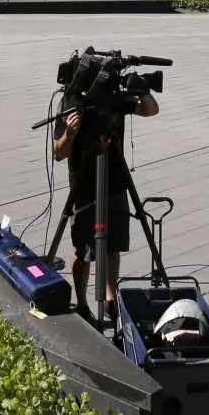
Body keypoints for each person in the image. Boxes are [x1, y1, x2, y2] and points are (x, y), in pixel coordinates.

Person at [51, 87, 158, 322]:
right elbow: (58, 153)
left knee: (113, 245)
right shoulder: (71, 102)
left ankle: (111, 300)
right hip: (85, 185)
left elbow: (150, 110)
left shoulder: (114, 97)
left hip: (116, 179)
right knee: (84, 248)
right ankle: (82, 305)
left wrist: (141, 89)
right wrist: (70, 133)